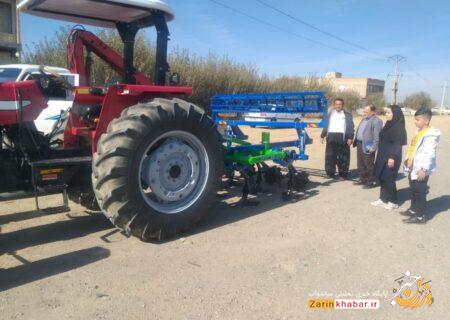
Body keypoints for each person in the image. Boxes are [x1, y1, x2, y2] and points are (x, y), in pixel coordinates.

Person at [400, 108, 441, 224]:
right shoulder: (420, 132)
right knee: (413, 190)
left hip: (421, 169)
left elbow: (429, 153)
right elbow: (414, 147)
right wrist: (408, 159)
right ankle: (413, 210)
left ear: (426, 121)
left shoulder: (431, 135)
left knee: (419, 192)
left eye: (418, 120)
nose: (415, 122)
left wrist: (423, 169)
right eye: (415, 119)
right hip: (413, 167)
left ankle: (420, 216)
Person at [371, 105, 407, 210]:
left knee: (389, 179)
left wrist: (392, 158)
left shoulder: (399, 127)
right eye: (386, 112)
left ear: (395, 114)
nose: (386, 114)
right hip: (382, 154)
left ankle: (393, 201)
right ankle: (383, 199)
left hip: (392, 156)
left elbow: (397, 144)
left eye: (388, 113)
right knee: (382, 177)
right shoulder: (388, 124)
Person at [321, 98, 355, 179]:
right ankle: (330, 173)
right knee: (330, 156)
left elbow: (351, 127)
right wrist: (322, 135)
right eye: (336, 104)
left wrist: (350, 138)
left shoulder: (347, 115)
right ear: (334, 105)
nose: (338, 106)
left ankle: (343, 174)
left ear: (342, 105)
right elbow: (326, 125)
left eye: (340, 104)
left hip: (343, 137)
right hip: (331, 137)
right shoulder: (330, 114)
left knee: (343, 157)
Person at [353, 104, 383, 188]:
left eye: (366, 111)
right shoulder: (364, 119)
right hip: (360, 143)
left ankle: (370, 181)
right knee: (360, 163)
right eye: (364, 111)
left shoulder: (377, 121)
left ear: (372, 112)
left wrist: (374, 146)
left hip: (368, 145)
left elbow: (377, 135)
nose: (364, 113)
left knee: (368, 164)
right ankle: (362, 179)